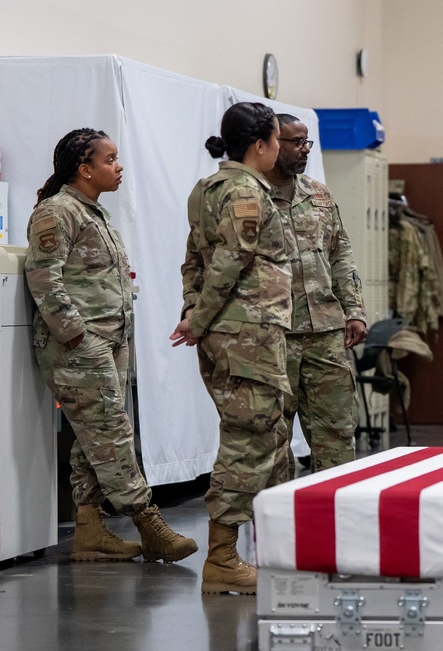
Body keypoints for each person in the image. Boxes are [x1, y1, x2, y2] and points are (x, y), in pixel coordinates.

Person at [25, 128, 197, 563]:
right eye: (110, 159)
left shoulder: (93, 213)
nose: (118, 167)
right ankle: (148, 523)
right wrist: (78, 337)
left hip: (108, 341)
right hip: (79, 347)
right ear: (84, 169)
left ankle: (89, 529)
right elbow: (44, 278)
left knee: (93, 440)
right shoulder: (57, 211)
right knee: (114, 436)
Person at [170, 102, 290, 595]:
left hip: (230, 331)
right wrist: (198, 321)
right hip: (247, 334)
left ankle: (274, 548)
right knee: (248, 440)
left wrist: (195, 315)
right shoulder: (245, 191)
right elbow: (228, 260)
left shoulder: (208, 188)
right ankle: (221, 559)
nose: (280, 148)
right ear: (259, 144)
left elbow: (192, 261)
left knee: (268, 433)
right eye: (277, 140)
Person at [264, 113, 367, 475]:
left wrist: (354, 310)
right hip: (274, 335)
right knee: (271, 439)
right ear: (271, 144)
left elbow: (341, 254)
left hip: (325, 333)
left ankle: (336, 516)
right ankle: (278, 525)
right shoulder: (248, 196)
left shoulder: (318, 195)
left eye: (307, 142)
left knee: (337, 432)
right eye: (295, 142)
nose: (303, 150)